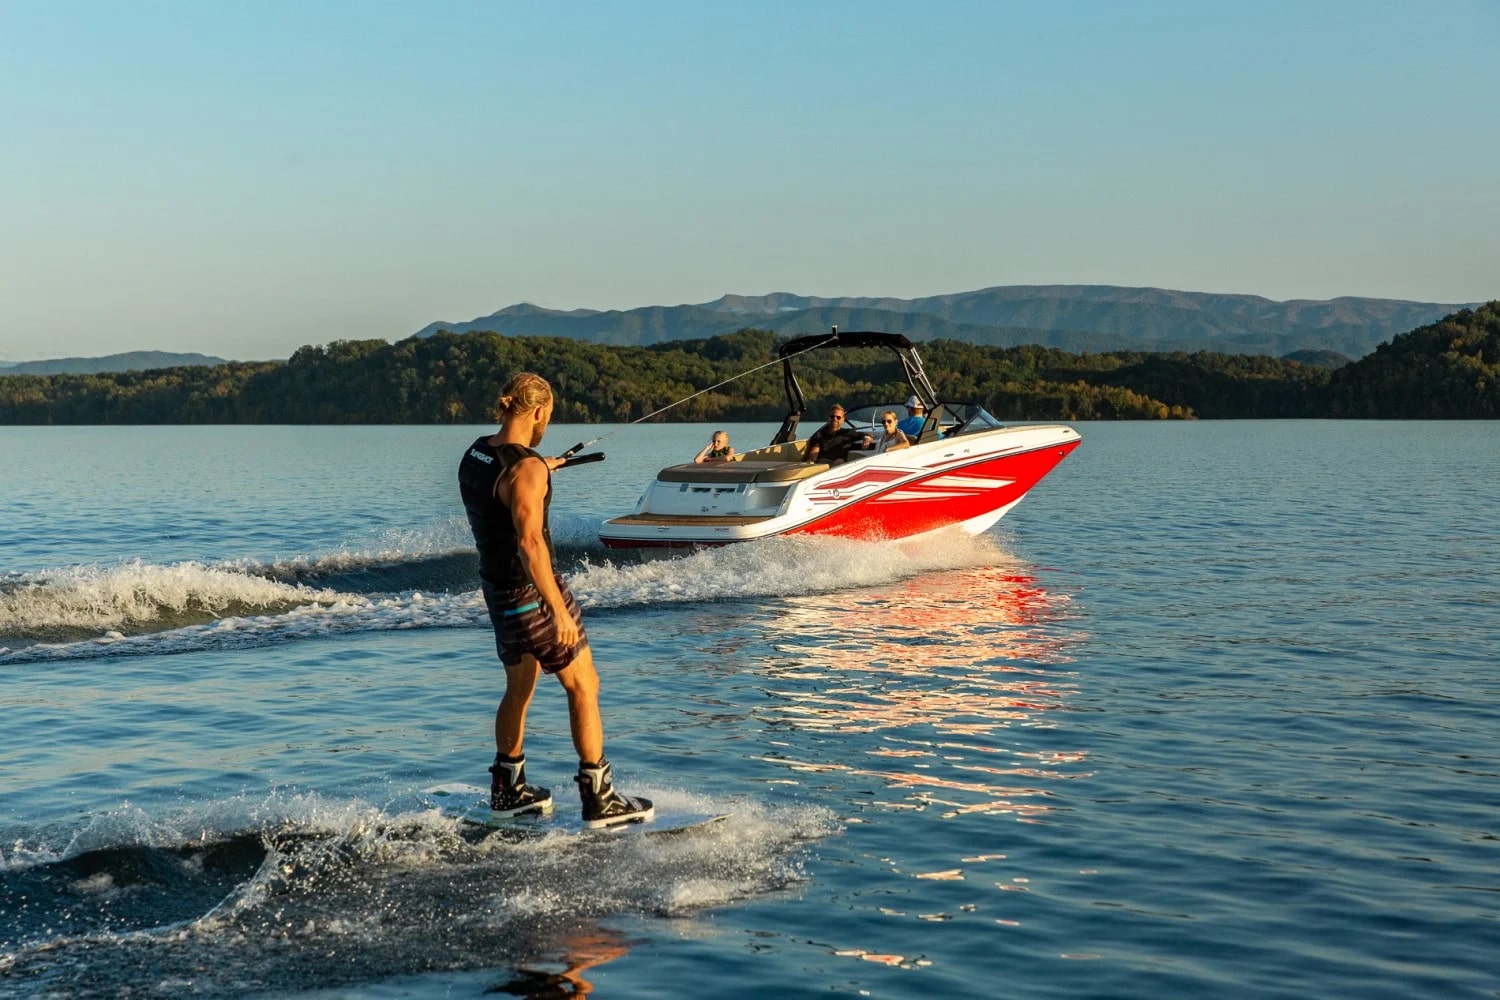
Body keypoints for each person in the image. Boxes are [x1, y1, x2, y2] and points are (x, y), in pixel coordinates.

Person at [457, 372, 652, 829]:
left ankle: (508, 788)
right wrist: (558, 610)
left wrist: (540, 466)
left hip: (497, 589)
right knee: (584, 685)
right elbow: (531, 545)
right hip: (531, 592)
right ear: (540, 412)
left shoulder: (478, 453)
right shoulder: (526, 470)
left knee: (519, 687)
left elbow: (506, 483)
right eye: (549, 415)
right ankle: (599, 798)